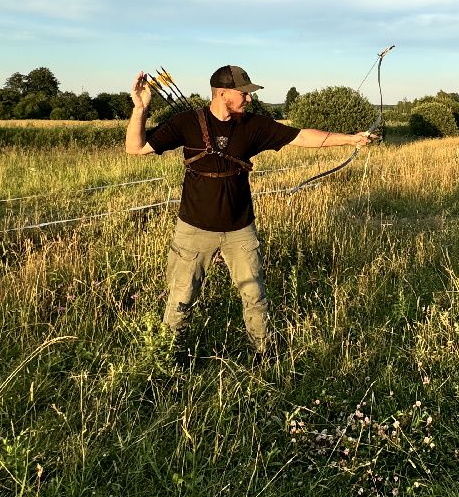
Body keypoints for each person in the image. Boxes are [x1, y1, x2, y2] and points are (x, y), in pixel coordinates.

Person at [126, 64, 372, 359]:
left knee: (255, 296)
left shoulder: (252, 125)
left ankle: (263, 354)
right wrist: (140, 108)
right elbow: (135, 148)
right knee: (181, 297)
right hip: (193, 230)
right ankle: (167, 358)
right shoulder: (186, 123)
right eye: (244, 93)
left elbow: (302, 137)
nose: (249, 99)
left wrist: (350, 138)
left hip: (240, 229)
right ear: (222, 93)